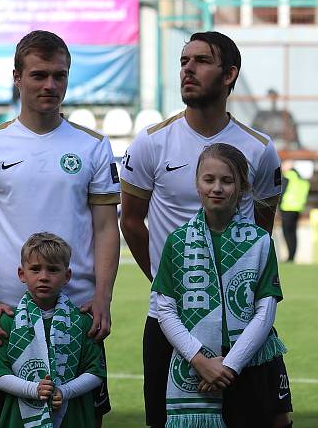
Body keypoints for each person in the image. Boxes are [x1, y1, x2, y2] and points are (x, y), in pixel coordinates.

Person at [119, 31, 286, 428]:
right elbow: (130, 221)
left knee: (266, 420)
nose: (188, 70)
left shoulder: (259, 149)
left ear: (229, 75)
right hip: (170, 320)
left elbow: (261, 229)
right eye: (183, 61)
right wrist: (169, 285)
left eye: (200, 61)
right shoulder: (150, 143)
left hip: (242, 321)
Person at [0, 30, 120, 428]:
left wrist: (102, 297)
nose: (50, 85)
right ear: (17, 77)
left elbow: (105, 228)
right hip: (7, 317)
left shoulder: (93, 146)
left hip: (75, 316)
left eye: (59, 76)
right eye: (38, 75)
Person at [152, 144, 288, 428]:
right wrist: (201, 361)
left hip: (251, 364)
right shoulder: (177, 241)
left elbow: (265, 312)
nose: (217, 188)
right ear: (197, 183)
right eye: (209, 179)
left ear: (241, 188)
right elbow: (165, 310)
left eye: (227, 181)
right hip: (195, 366)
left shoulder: (260, 241)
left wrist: (229, 365)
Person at [0, 232, 106, 428]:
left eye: (52, 270)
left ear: (67, 275)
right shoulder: (7, 323)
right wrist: (33, 389)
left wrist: (64, 391)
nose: (43, 277)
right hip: (21, 417)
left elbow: (96, 372)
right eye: (35, 269)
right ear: (22, 274)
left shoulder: (82, 322)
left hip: (72, 414)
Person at [279, 160, 310, 263]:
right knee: (293, 233)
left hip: (287, 208)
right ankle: (292, 256)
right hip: (297, 209)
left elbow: (281, 192)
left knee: (287, 233)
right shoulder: (300, 179)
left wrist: (277, 205)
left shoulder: (288, 176)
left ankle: (290, 257)